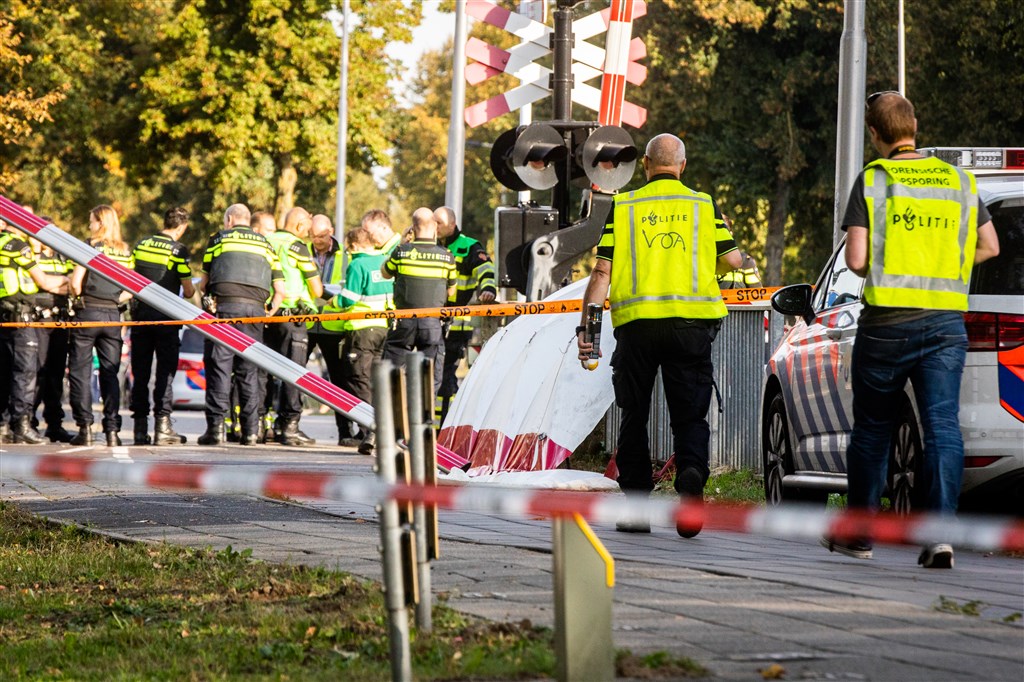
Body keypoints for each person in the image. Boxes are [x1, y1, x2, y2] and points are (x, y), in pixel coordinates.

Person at [822, 92, 1000, 569]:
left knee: (874, 429)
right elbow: (991, 245)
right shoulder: (958, 181)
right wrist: (946, 268)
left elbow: (856, 260)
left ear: (875, 134)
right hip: (944, 324)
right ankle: (940, 536)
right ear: (914, 125)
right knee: (942, 427)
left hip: (887, 326)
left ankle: (860, 535)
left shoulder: (875, 180)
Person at [577, 133, 741, 537]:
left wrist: (589, 329)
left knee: (634, 414)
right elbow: (731, 260)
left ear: (647, 164)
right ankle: (689, 479)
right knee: (690, 413)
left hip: (637, 327)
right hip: (691, 327)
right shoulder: (703, 205)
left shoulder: (625, 205)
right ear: (682, 166)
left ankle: (636, 508)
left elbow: (602, 272)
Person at [197, 203, 285, 446]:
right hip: (255, 313)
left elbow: (203, 283)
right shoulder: (267, 245)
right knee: (249, 372)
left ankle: (215, 431)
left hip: (225, 310)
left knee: (220, 369)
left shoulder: (218, 240)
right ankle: (250, 433)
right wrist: (268, 313)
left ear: (229, 219)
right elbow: (280, 291)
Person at [68, 205, 135, 446]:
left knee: (80, 371)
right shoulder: (124, 251)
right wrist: (115, 300)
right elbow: (132, 289)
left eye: (92, 221)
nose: (89, 226)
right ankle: (112, 432)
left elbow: (76, 283)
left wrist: (77, 297)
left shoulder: (89, 247)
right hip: (112, 316)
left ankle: (85, 428)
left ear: (101, 223)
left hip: (87, 312)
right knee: (110, 373)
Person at [129, 206, 195, 445]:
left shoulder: (142, 244)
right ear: (182, 227)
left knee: (141, 374)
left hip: (140, 318)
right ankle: (163, 427)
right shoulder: (178, 250)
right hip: (167, 319)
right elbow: (188, 291)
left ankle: (139, 430)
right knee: (165, 375)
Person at [0, 223, 70, 443]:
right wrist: (68, 281)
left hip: (4, 316)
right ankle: (21, 424)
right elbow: (44, 281)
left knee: (3, 373)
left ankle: (3, 425)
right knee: (25, 373)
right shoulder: (17, 245)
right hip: (22, 320)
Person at [381, 207, 456, 401]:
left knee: (393, 374)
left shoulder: (401, 252)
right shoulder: (446, 256)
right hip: (431, 323)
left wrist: (402, 242)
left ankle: (394, 421)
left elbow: (385, 272)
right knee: (429, 377)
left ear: (412, 228)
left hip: (403, 322)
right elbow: (451, 291)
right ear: (434, 227)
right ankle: (422, 421)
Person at [262, 206, 322, 446]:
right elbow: (316, 288)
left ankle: (261, 425)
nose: (308, 232)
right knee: (294, 374)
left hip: (266, 316)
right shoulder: (297, 246)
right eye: (307, 226)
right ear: (298, 225)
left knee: (263, 372)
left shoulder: (267, 240)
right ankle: (289, 428)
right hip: (292, 317)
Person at [433, 206, 496, 426]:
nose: (435, 226)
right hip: (431, 320)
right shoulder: (428, 245)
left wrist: (489, 291)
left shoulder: (469, 247)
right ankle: (439, 425)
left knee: (446, 373)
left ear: (452, 224)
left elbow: (486, 271)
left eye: (439, 222)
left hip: (456, 324)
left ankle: (444, 426)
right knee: (434, 374)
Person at [334, 226, 391, 447]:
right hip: (383, 328)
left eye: (349, 248)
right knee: (375, 380)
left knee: (358, 379)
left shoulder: (358, 264)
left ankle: (370, 429)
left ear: (356, 245)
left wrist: (333, 302)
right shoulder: (384, 261)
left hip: (361, 329)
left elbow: (348, 299)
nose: (348, 253)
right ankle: (378, 426)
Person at [306, 214, 350, 444]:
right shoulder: (302, 249)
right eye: (313, 236)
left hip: (334, 325)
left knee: (340, 380)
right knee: (291, 373)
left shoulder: (346, 255)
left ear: (331, 230)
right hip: (306, 322)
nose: (317, 241)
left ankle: (345, 431)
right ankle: (286, 426)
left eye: (321, 236)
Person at [30, 237, 76, 443]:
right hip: (39, 320)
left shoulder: (63, 258)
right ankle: (27, 421)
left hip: (60, 321)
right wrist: (59, 283)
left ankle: (54, 425)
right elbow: (37, 282)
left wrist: (53, 284)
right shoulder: (33, 257)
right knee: (37, 372)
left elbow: (72, 284)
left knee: (56, 374)